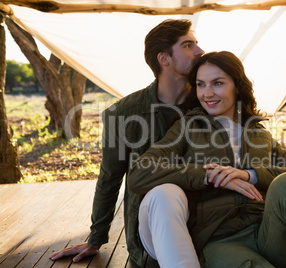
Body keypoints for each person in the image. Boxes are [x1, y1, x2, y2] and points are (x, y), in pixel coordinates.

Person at [128, 51, 286, 267]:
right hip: (221, 240)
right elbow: (140, 172)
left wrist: (251, 175)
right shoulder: (187, 127)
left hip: (271, 233)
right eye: (200, 84)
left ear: (237, 86)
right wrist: (208, 175)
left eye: (218, 83)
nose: (207, 93)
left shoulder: (258, 132)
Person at [49, 19, 204, 267]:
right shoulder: (122, 113)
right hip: (152, 224)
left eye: (196, 44)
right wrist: (96, 238)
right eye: (188, 45)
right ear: (164, 59)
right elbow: (109, 178)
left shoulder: (209, 103)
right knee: (164, 194)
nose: (199, 51)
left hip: (208, 219)